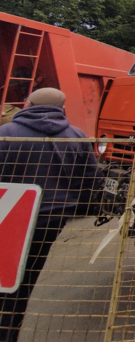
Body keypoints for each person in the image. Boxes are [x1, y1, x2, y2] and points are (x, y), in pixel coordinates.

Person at [0, 88, 101, 342]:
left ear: (28, 104)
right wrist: (76, 206)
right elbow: (91, 181)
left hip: (7, 218)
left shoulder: (6, 133)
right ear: (62, 109)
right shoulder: (76, 136)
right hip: (50, 222)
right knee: (24, 281)